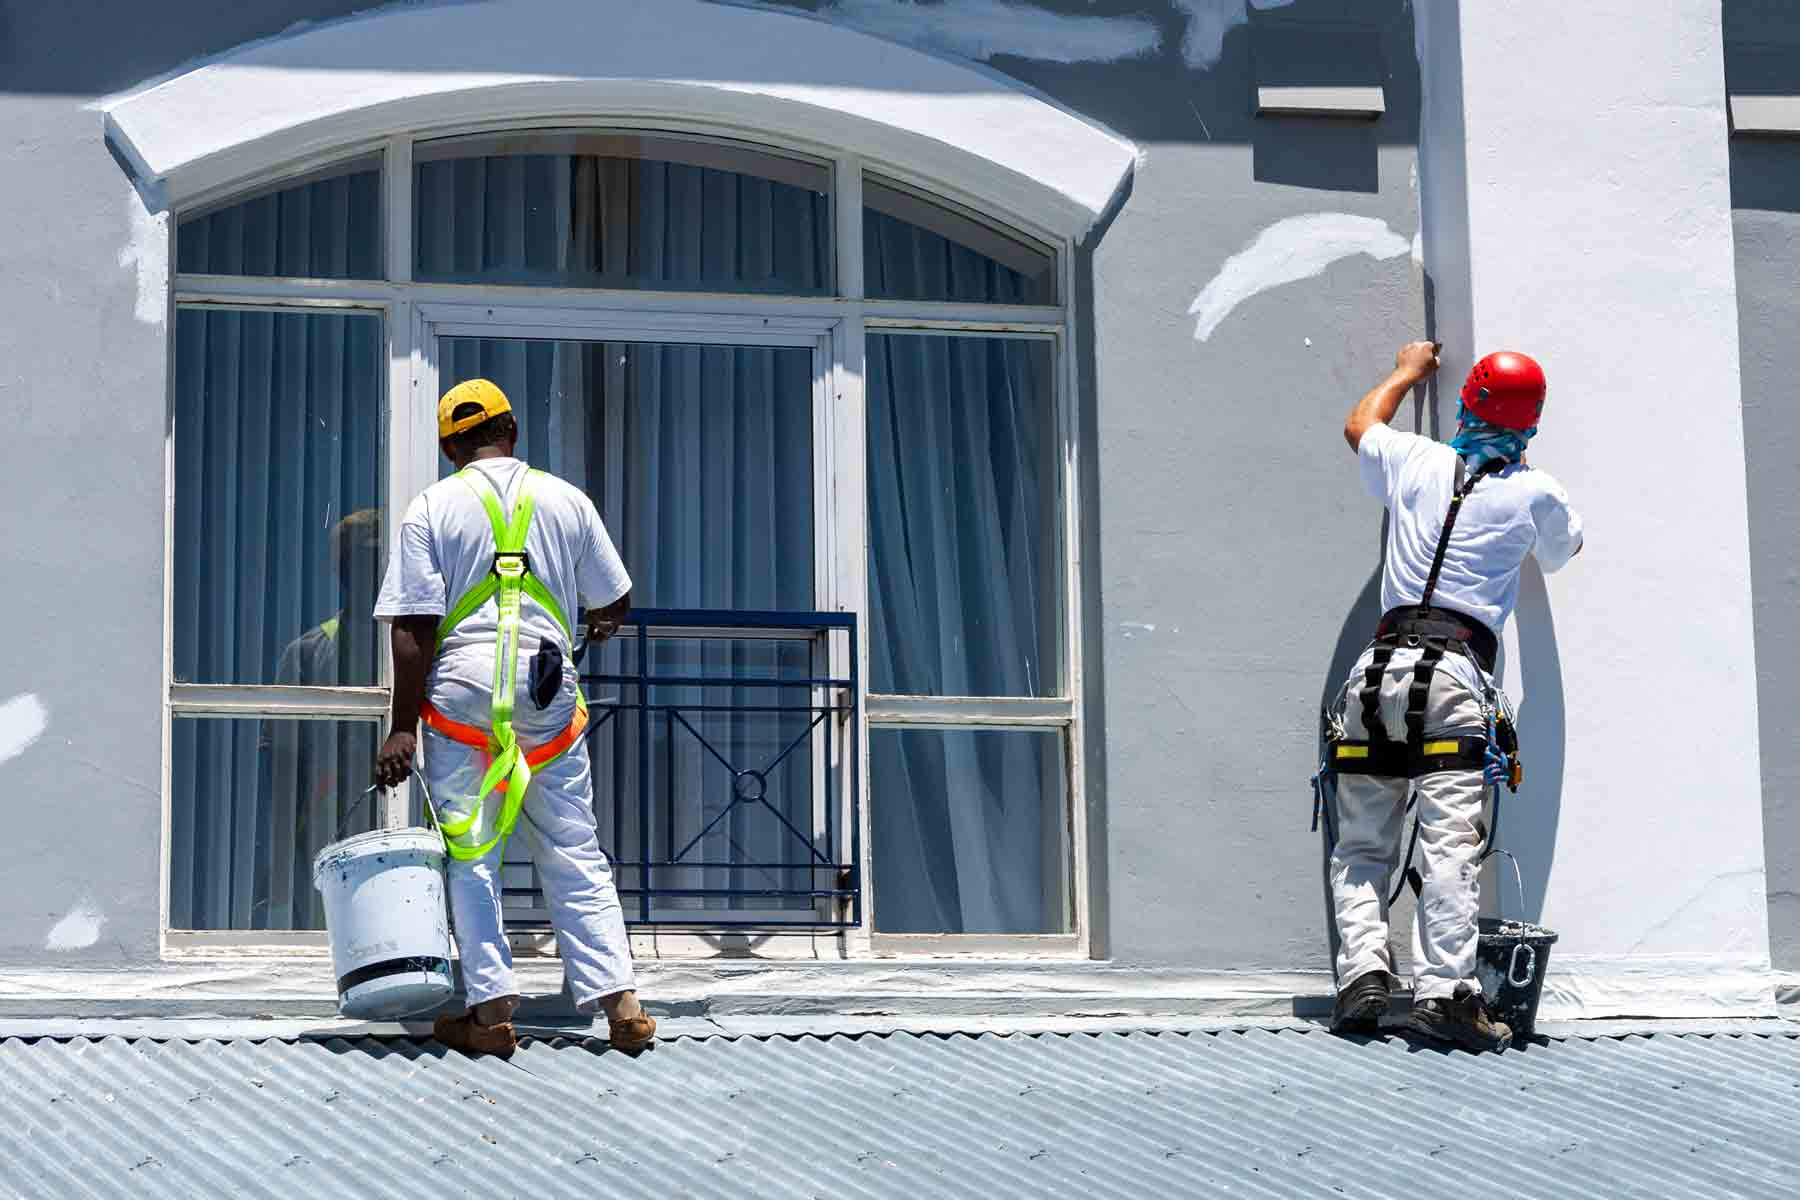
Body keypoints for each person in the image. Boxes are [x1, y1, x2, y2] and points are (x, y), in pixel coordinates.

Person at [372, 378, 652, 1056]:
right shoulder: (567, 501)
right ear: (514, 431)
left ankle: (492, 1011)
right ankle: (621, 1001)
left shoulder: (432, 507)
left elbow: (413, 628)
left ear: (449, 447)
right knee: (572, 846)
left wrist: (403, 726)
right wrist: (597, 621)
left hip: (464, 696)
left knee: (472, 854)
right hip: (547, 689)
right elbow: (614, 600)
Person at [1327, 341, 1583, 1052]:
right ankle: (1443, 993)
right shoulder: (1536, 492)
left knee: (1361, 842)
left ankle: (1362, 980)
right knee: (1448, 843)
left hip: (1375, 673)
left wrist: (1408, 370)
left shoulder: (1415, 460)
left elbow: (1359, 425)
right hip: (1454, 677)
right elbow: (1565, 551)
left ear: (1467, 403)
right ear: (1531, 422)